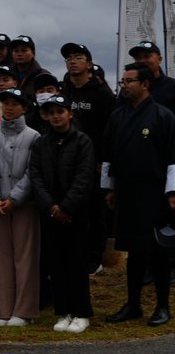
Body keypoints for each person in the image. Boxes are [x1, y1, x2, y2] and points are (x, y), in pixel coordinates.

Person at [103, 62, 175, 326]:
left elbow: (173, 157)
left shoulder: (163, 116)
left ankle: (162, 306)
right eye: (122, 81)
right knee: (133, 251)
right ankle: (133, 304)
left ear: (145, 84)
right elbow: (108, 154)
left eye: (129, 81)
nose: (124, 86)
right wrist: (110, 186)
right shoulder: (117, 116)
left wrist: (172, 192)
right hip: (127, 191)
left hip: (154, 192)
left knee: (157, 251)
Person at [29, 94, 96, 333]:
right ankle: (63, 312)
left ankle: (81, 312)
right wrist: (51, 206)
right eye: (51, 112)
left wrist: (66, 207)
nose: (56, 116)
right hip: (49, 212)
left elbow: (84, 177)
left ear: (70, 113)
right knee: (55, 264)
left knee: (76, 263)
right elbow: (35, 176)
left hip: (75, 213)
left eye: (60, 111)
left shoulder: (82, 141)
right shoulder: (40, 143)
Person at [0, 87, 41, 327]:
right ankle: (5, 310)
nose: (10, 107)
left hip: (24, 205)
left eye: (15, 103)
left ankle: (24, 311)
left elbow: (32, 172)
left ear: (24, 108)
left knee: (25, 258)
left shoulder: (34, 136)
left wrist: (15, 197)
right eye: (5, 103)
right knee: (1, 258)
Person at [59, 42, 115, 276]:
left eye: (78, 57)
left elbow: (111, 129)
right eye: (69, 57)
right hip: (67, 161)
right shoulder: (64, 91)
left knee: (96, 210)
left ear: (89, 64)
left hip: (95, 163)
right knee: (72, 209)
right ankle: (74, 254)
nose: (72, 61)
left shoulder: (101, 93)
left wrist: (105, 160)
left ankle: (95, 257)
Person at [129, 41, 175, 111]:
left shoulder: (172, 86)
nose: (142, 61)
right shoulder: (129, 87)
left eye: (147, 56)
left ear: (159, 59)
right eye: (138, 58)